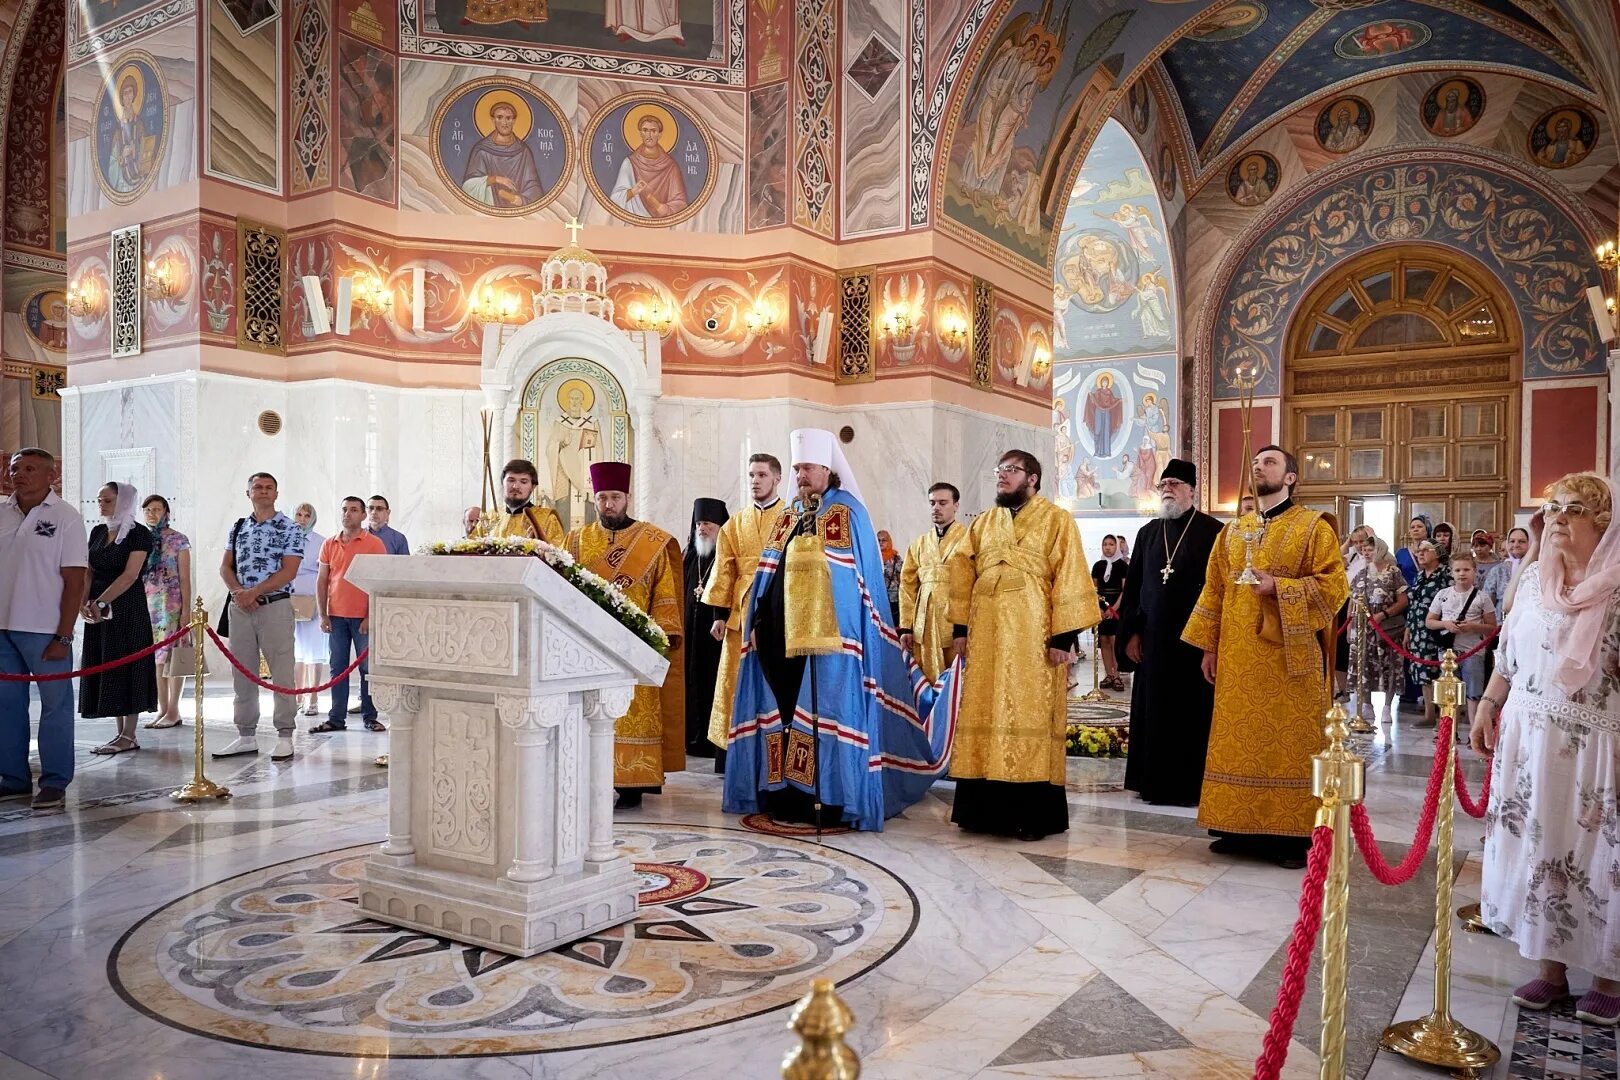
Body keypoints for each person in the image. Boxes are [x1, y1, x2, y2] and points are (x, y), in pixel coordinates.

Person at [722, 429, 954, 831]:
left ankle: (826, 798)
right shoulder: (791, 514)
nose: (800, 475)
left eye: (806, 467)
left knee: (822, 714)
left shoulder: (848, 513)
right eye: (796, 468)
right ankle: (782, 793)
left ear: (827, 468)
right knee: (785, 716)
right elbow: (767, 576)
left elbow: (856, 587)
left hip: (830, 643)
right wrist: (758, 621)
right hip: (779, 640)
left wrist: (834, 631)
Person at [1471, 473, 1620, 1025]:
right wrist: (1488, 703)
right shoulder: (1534, 580)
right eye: (1554, 507)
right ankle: (1552, 969)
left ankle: (1609, 974)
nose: (1557, 517)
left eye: (1574, 508)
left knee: (1601, 859)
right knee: (1542, 850)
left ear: (1603, 523)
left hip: (1600, 748)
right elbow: (1508, 654)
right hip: (1531, 739)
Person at [1183, 446, 1349, 867]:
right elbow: (1214, 590)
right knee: (1238, 742)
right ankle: (1237, 827)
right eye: (1255, 462)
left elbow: (1334, 587)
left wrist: (1280, 586)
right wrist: (1209, 645)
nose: (1259, 466)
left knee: (1288, 746)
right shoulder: (1232, 531)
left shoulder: (1313, 527)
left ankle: (1291, 837)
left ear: (1290, 477)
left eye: (1270, 462)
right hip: (1238, 659)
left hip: (1289, 661)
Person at [948, 449, 1097, 840]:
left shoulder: (1057, 519)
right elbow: (962, 570)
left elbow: (1070, 572)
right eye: (1000, 471)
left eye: (1011, 471)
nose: (1002, 477)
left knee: (1028, 711)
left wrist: (1064, 637)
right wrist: (960, 629)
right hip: (986, 634)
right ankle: (981, 813)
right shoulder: (983, 522)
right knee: (984, 706)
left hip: (1033, 636)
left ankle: (1031, 816)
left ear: (1032, 478)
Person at [566, 461, 684, 809]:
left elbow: (664, 594)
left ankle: (633, 784)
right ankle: (589, 779)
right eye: (602, 498)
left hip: (635, 647)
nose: (609, 505)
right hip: (588, 646)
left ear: (627, 498)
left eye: (615, 497)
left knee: (634, 711)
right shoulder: (576, 540)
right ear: (594, 498)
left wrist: (661, 637)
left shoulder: (653, 541)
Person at [1117, 459, 1224, 806]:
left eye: (1175, 484)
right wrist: (1132, 632)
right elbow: (1133, 588)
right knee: (1153, 712)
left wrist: (1213, 642)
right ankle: (1152, 783)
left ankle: (1191, 785)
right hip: (1153, 641)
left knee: (1191, 715)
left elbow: (1220, 590)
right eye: (1163, 485)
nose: (1167, 490)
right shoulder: (1148, 532)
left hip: (1193, 644)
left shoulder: (1214, 532)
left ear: (1192, 489)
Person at [0, 449, 89, 810]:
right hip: (2, 627)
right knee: (7, 706)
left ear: (51, 476)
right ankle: (13, 777)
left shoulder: (66, 518)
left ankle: (54, 781)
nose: (19, 474)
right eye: (14, 468)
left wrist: (64, 634)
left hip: (44, 628)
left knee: (55, 705)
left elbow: (74, 579)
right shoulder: (2, 512)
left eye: (29, 468)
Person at [701, 453, 790, 769]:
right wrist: (719, 616)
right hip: (740, 614)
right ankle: (731, 752)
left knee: (772, 681)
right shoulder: (735, 523)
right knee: (733, 682)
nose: (755, 480)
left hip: (779, 614)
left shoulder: (791, 520)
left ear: (777, 478)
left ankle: (774, 755)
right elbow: (724, 568)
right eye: (751, 474)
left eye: (762, 475)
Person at [215, 472, 304, 761]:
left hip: (274, 606)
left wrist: (254, 592)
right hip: (240, 607)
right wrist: (240, 592)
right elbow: (225, 567)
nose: (263, 492)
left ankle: (285, 735)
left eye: (269, 488)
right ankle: (246, 735)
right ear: (248, 492)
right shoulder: (239, 526)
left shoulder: (289, 528)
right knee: (242, 672)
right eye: (258, 487)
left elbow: (289, 571)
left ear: (276, 494)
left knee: (281, 671)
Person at [80, 483, 158, 755]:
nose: (102, 505)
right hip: (98, 607)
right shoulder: (98, 532)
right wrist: (84, 602)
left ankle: (130, 733)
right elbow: (88, 571)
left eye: (108, 500)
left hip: (127, 606)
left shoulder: (138, 534)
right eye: (100, 500)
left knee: (129, 664)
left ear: (123, 502)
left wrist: (102, 601)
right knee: (109, 663)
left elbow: (130, 575)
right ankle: (120, 733)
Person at [312, 497, 387, 733]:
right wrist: (323, 615)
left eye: (354, 510)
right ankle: (336, 718)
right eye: (344, 509)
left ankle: (370, 716)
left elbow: (380, 583)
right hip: (336, 617)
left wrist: (370, 616)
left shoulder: (374, 544)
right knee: (338, 668)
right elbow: (322, 580)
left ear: (363, 516)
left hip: (362, 618)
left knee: (367, 669)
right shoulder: (329, 544)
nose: (347, 514)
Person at [899, 482, 968, 684]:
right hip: (925, 622)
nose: (936, 508)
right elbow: (907, 586)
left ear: (956, 505)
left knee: (958, 680)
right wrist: (906, 627)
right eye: (932, 503)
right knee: (926, 678)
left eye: (942, 502)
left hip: (956, 622)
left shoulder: (968, 538)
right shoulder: (919, 543)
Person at [1425, 552, 1495, 730]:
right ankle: (1448, 732)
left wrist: (1473, 626)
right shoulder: (1443, 594)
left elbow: (1493, 628)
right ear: (1451, 573)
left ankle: (1474, 731)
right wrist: (1446, 624)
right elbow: (1430, 621)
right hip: (1448, 652)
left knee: (1474, 693)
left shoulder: (1482, 597)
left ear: (1474, 571)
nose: (1462, 573)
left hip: (1473, 651)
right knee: (1448, 694)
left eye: (1466, 569)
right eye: (1457, 570)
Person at [140, 494, 191, 729]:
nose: (152, 513)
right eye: (148, 510)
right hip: (148, 605)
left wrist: (186, 611)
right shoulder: (141, 540)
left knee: (174, 657)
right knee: (156, 659)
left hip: (171, 605)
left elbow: (185, 579)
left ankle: (174, 709)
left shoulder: (179, 540)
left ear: (166, 513)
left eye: (157, 509)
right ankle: (162, 708)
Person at [683, 497, 728, 757]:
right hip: (692, 631)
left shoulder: (725, 556)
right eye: (699, 523)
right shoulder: (690, 557)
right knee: (692, 682)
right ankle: (692, 737)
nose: (702, 529)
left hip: (715, 634)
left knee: (712, 682)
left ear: (721, 526)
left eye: (708, 524)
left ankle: (711, 742)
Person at [1353, 535, 1407, 725]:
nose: (1366, 552)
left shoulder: (1393, 572)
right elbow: (1354, 602)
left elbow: (1403, 601)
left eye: (1371, 549)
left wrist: (1383, 614)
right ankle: (1366, 705)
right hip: (1364, 629)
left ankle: (1387, 707)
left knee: (1390, 665)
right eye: (1364, 549)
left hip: (1387, 628)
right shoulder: (1361, 574)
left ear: (1381, 550)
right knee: (1364, 664)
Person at [1404, 539, 1452, 727]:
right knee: (1422, 671)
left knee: (1440, 670)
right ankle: (1429, 714)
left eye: (1425, 550)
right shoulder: (1419, 576)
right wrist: (1408, 629)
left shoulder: (1446, 575)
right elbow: (1413, 604)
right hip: (1417, 630)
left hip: (1438, 629)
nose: (1420, 553)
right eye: (1419, 550)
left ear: (1437, 553)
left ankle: (1445, 715)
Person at [290, 502, 328, 718]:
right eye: (299, 514)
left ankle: (313, 697)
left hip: (313, 600)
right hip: (290, 597)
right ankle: (297, 695)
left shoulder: (320, 542)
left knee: (314, 650)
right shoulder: (285, 538)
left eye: (307, 515)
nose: (302, 519)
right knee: (296, 650)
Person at [487, 459, 564, 545]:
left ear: (533, 486)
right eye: (511, 480)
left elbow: (557, 554)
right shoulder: (489, 518)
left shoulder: (548, 519)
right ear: (502, 482)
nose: (515, 486)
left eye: (523, 482)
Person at [1091, 534, 1128, 691]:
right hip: (1100, 607)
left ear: (1117, 547)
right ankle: (1109, 674)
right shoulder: (1098, 566)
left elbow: (1125, 590)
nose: (1108, 547)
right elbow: (1093, 589)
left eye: (1111, 544)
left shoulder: (1123, 566)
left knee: (1115, 642)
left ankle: (1117, 675)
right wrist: (1097, 608)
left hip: (1116, 607)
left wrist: (1114, 609)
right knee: (1104, 641)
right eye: (1105, 544)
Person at [1483, 527, 1527, 612]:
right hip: (1501, 621)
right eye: (1512, 541)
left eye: (1522, 541)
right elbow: (1487, 601)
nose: (1516, 544)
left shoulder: (1535, 568)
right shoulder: (1498, 570)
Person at [1396, 514, 1430, 587]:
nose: (1415, 529)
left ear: (1427, 530)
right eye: (1412, 527)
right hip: (1407, 593)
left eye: (1419, 527)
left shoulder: (1432, 551)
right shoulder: (1401, 553)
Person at [877, 530, 903, 626]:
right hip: (878, 596)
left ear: (889, 541)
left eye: (884, 540)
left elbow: (902, 577)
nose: (881, 543)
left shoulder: (895, 558)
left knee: (892, 624)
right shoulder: (873, 557)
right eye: (878, 540)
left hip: (893, 597)